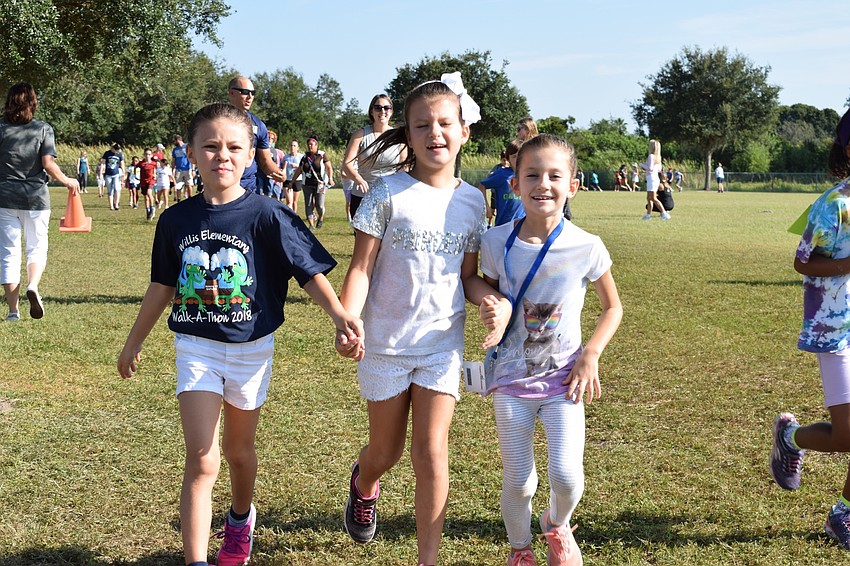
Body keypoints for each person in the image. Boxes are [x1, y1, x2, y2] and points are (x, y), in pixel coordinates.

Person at [117, 102, 363, 566]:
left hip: (252, 351)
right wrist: (134, 341)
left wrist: (339, 314)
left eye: (233, 147)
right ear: (189, 153)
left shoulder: (268, 215)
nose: (221, 155)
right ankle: (195, 561)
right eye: (209, 146)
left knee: (238, 451)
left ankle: (240, 517)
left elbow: (307, 271)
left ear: (251, 155)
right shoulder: (175, 220)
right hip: (196, 348)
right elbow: (162, 285)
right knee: (203, 459)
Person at [338, 77, 509, 566]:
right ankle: (363, 481)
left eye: (444, 123)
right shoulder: (386, 192)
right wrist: (349, 318)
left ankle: (427, 559)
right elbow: (361, 267)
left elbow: (469, 276)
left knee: (432, 454)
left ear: (463, 131)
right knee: (386, 452)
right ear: (407, 136)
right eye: (422, 125)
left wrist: (488, 299)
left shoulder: (475, 201)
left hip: (441, 345)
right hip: (386, 345)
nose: (435, 132)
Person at [479, 134, 622, 566]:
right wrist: (492, 305)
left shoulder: (587, 245)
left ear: (573, 185)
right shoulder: (493, 242)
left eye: (555, 175)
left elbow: (613, 307)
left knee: (567, 478)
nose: (544, 183)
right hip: (510, 381)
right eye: (532, 175)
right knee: (519, 482)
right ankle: (520, 550)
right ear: (515, 185)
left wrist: (591, 354)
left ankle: (556, 526)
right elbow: (481, 288)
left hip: (565, 382)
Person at [770, 108, 850, 551]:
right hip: (835, 326)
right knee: (846, 438)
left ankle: (843, 514)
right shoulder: (834, 203)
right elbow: (802, 260)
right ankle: (789, 437)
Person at [0, 82, 80, 321]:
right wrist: (67, 180)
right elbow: (48, 164)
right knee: (36, 247)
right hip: (35, 198)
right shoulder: (43, 129)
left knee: (8, 253)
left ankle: (13, 311)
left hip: (4, 197)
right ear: (33, 102)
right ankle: (33, 285)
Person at [341, 93, 405, 220]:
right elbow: (346, 164)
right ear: (371, 111)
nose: (382, 111)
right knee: (362, 239)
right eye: (378, 107)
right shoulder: (360, 134)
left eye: (387, 108)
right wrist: (358, 179)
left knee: (388, 239)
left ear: (391, 112)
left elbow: (404, 166)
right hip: (363, 196)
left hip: (389, 197)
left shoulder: (399, 137)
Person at [226, 76, 285, 193]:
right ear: (232, 92)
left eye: (253, 93)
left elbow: (265, 161)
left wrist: (279, 173)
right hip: (222, 187)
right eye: (245, 92)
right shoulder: (215, 121)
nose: (250, 97)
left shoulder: (258, 126)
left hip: (248, 187)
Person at [287, 136, 333, 230]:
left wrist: (330, 178)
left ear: (316, 145)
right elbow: (299, 170)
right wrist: (292, 182)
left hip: (320, 184)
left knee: (319, 205)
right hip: (306, 184)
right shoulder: (304, 157)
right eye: (308, 144)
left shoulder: (322, 155)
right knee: (308, 204)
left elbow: (329, 167)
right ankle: (311, 225)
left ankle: (320, 217)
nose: (309, 146)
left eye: (311, 144)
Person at [478, 139, 524, 226]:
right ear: (508, 159)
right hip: (504, 224)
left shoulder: (529, 174)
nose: (517, 159)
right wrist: (487, 208)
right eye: (514, 156)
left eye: (520, 156)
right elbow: (482, 186)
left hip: (523, 225)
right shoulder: (502, 174)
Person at [641, 139, 670, 220]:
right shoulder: (658, 157)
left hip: (651, 179)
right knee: (649, 198)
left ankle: (664, 213)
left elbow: (649, 168)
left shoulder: (651, 156)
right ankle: (648, 215)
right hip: (655, 178)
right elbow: (659, 169)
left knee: (653, 198)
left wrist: (642, 165)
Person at [101, 142, 125, 210]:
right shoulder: (107, 153)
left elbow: (122, 163)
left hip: (116, 174)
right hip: (108, 174)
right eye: (116, 149)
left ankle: (116, 204)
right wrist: (101, 172)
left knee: (117, 189)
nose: (117, 151)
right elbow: (103, 163)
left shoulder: (119, 154)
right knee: (110, 191)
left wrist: (123, 172)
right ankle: (111, 206)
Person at [172, 135, 194, 201]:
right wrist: (172, 169)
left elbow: (192, 157)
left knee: (189, 184)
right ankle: (179, 199)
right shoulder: (175, 149)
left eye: (174, 141)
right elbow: (173, 160)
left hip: (187, 168)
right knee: (178, 185)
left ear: (178, 140)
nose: (174, 143)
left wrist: (193, 169)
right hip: (179, 169)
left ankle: (190, 198)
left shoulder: (187, 146)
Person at [283, 139, 303, 212]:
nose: (292, 147)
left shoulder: (301, 157)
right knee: (289, 201)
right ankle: (288, 216)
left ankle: (294, 217)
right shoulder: (286, 157)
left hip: (297, 180)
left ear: (297, 148)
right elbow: (282, 167)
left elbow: (304, 168)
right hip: (287, 180)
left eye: (294, 146)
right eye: (291, 145)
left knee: (294, 201)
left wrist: (296, 166)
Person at [138, 148, 158, 220]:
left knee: (149, 193)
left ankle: (152, 207)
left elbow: (155, 170)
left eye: (149, 154)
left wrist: (155, 175)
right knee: (145, 197)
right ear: (144, 155)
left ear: (151, 155)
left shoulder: (153, 163)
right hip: (143, 181)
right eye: (146, 154)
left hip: (151, 180)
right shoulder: (141, 163)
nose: (147, 156)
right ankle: (147, 210)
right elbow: (136, 169)